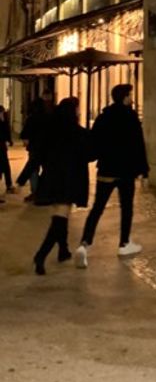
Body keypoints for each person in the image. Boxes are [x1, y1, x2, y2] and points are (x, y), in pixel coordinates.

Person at [74, 84, 149, 268]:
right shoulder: (130, 117)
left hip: (106, 169)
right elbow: (138, 144)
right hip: (126, 171)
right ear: (125, 97)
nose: (131, 98)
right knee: (126, 207)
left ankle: (85, 243)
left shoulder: (103, 117)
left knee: (97, 208)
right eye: (130, 95)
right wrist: (144, 170)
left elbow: (93, 143)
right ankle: (124, 243)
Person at [32, 97, 89, 275]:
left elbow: (37, 156)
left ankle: (63, 250)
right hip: (69, 182)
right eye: (78, 109)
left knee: (61, 217)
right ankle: (40, 256)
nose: (80, 111)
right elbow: (91, 154)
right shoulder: (78, 133)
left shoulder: (51, 131)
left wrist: (21, 179)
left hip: (52, 180)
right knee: (59, 220)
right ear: (73, 112)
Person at [17, 89, 55, 199]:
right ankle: (45, 191)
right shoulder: (54, 112)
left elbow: (27, 131)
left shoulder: (35, 114)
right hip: (49, 147)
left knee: (33, 169)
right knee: (47, 169)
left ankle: (35, 192)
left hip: (36, 147)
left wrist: (27, 139)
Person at [0, 104, 16, 195]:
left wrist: (9, 140)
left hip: (2, 147)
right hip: (1, 147)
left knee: (6, 166)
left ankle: (9, 185)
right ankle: (9, 185)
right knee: (5, 166)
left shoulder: (4, 119)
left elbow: (6, 130)